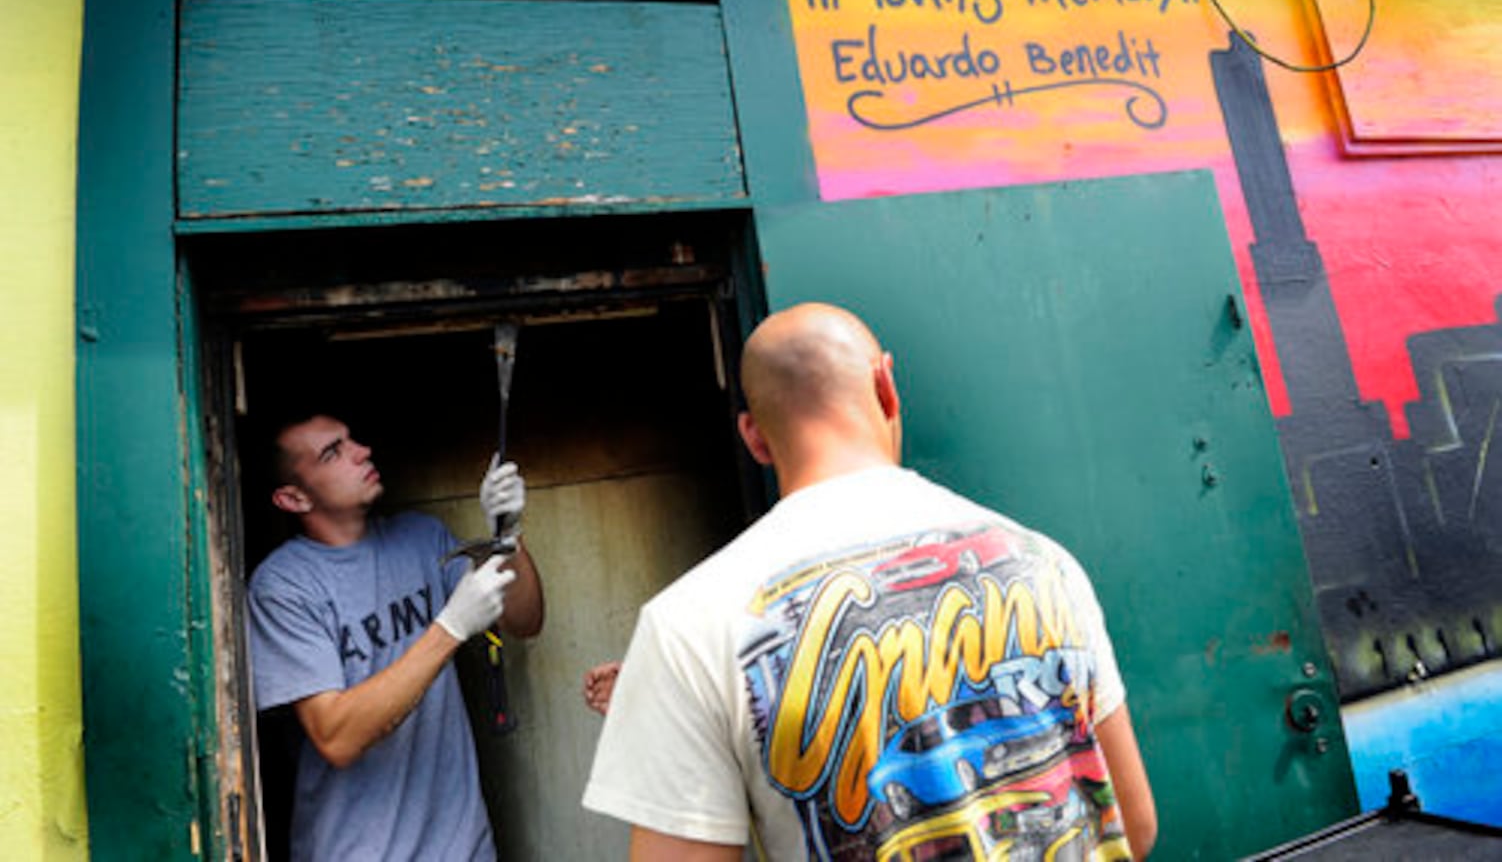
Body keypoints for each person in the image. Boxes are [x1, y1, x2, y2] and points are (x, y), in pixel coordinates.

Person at [583, 303, 1156, 860]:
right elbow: (1133, 824)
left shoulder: (688, 626)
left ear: (754, 438)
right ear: (887, 386)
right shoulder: (1042, 561)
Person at [247, 412, 544, 861]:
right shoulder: (283, 587)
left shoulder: (420, 537)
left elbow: (525, 619)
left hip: (463, 847)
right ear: (293, 498)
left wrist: (508, 534)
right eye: (334, 452)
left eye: (352, 440)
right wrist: (450, 629)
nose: (361, 452)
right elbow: (336, 737)